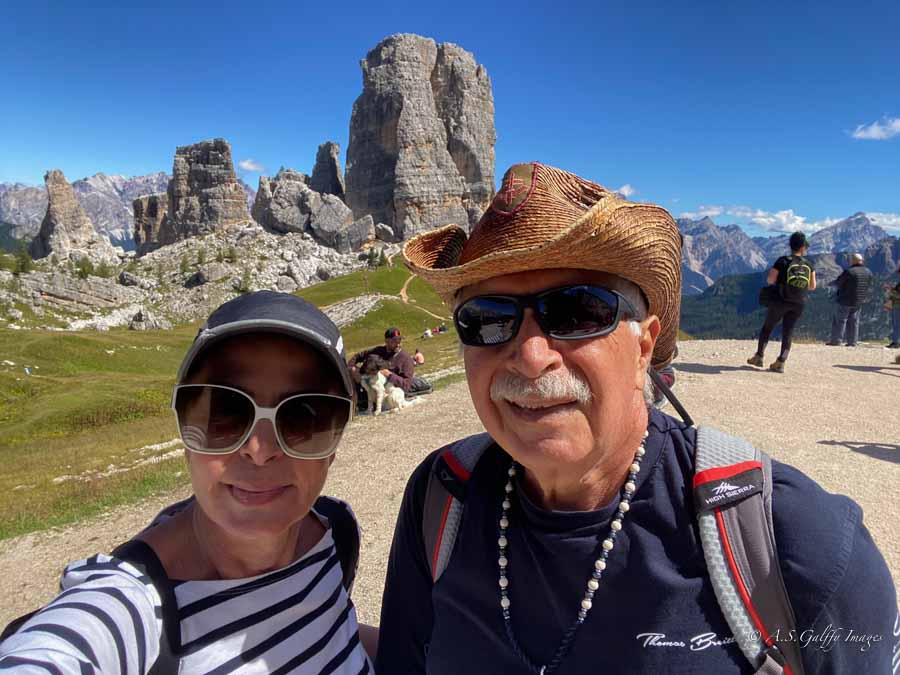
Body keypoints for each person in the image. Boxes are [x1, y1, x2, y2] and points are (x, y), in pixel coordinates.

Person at [377, 162, 896, 674]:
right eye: (487, 320)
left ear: (644, 346)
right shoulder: (441, 496)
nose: (531, 356)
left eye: (577, 311)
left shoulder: (802, 542)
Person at [0, 291, 374, 673]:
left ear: (335, 441)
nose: (260, 451)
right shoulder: (131, 607)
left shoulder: (330, 530)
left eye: (304, 416)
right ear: (185, 433)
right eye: (225, 413)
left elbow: (327, 633)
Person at [747, 231, 817, 373]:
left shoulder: (782, 261)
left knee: (768, 327)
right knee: (788, 332)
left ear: (791, 246)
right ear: (803, 247)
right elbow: (812, 286)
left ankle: (759, 356)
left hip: (781, 300)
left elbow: (770, 280)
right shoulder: (809, 265)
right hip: (799, 303)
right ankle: (781, 362)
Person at [826, 253, 874, 347]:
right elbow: (869, 284)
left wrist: (832, 284)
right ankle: (852, 342)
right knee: (854, 321)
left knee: (840, 320)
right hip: (859, 300)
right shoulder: (868, 272)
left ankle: (836, 340)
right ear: (862, 261)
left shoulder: (849, 271)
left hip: (845, 299)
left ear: (852, 261)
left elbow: (839, 282)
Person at [348, 327, 416, 393]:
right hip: (369, 385)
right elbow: (358, 356)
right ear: (386, 341)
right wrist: (351, 368)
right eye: (394, 341)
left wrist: (390, 375)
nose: (398, 344)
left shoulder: (406, 358)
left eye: (399, 340)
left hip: (388, 392)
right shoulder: (378, 350)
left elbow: (407, 385)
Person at [884, 263, 900, 349]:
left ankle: (896, 342)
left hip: (898, 305)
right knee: (896, 324)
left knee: (896, 324)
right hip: (896, 304)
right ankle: (896, 341)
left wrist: (890, 290)